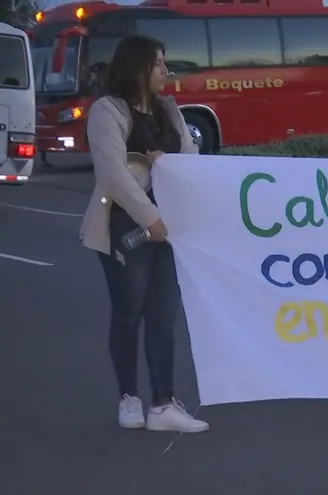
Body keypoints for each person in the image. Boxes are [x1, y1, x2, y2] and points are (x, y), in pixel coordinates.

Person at [79, 35, 209, 433]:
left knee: (162, 317)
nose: (163, 71)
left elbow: (189, 158)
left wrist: (167, 162)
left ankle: (164, 403)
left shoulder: (170, 109)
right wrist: (150, 218)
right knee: (128, 312)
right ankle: (128, 397)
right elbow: (113, 174)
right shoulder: (107, 111)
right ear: (136, 67)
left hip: (170, 230)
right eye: (157, 64)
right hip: (125, 225)